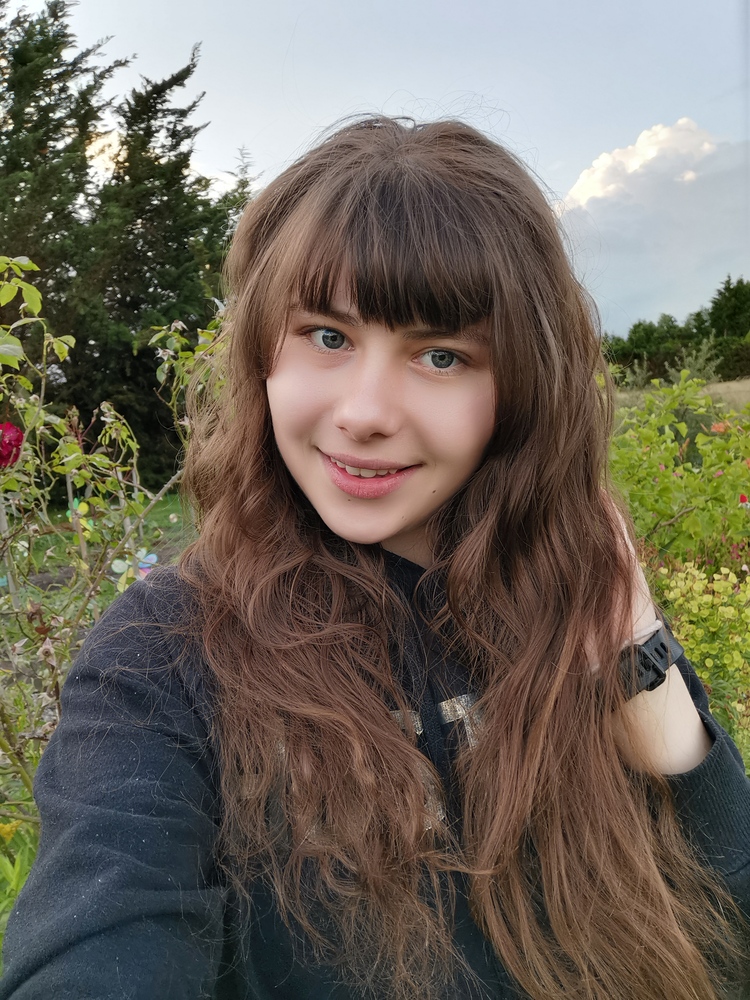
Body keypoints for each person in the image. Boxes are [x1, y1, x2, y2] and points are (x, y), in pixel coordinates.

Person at [1, 116, 748, 1000]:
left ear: (524, 388)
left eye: (441, 355)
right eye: (327, 335)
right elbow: (102, 937)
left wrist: (634, 654)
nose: (364, 413)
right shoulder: (165, 657)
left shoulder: (575, 608)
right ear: (262, 351)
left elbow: (724, 931)